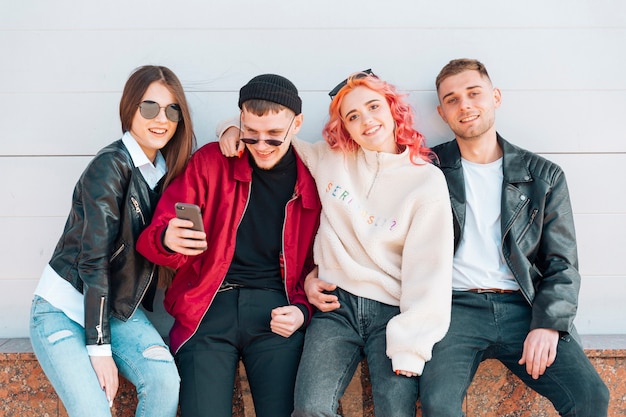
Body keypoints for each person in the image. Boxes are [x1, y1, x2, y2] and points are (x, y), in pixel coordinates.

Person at [220, 71, 454, 417]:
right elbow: (273, 135)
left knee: (395, 410)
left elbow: (429, 271)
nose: (366, 120)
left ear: (393, 109)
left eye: (374, 107)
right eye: (353, 116)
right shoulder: (331, 158)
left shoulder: (426, 181)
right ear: (344, 126)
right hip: (334, 307)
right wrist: (230, 128)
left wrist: (411, 345)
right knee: (310, 408)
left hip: (391, 311)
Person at [418, 58, 610, 416]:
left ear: (495, 97)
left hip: (524, 305)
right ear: (442, 113)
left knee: (590, 396)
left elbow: (561, 263)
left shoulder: (544, 176)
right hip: (454, 309)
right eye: (452, 99)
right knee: (437, 404)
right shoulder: (427, 169)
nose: (465, 105)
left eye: (473, 93)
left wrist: (549, 324)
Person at [136, 74, 321, 417]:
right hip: (207, 305)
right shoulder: (211, 162)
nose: (261, 145)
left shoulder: (313, 179)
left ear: (297, 124)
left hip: (276, 308)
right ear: (240, 122)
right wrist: (166, 238)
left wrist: (302, 310)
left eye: (273, 137)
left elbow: (318, 265)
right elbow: (151, 239)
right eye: (251, 133)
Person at [29, 65, 196, 417]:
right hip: (63, 309)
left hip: (118, 310)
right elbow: (94, 261)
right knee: (93, 410)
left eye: (171, 110)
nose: (161, 119)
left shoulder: (166, 174)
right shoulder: (111, 166)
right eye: (149, 107)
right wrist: (99, 348)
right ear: (130, 109)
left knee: (165, 380)